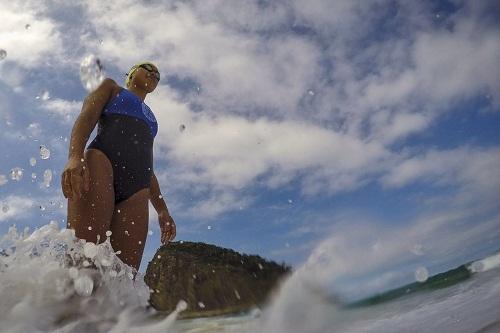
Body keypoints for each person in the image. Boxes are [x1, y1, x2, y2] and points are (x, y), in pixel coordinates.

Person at [61, 61, 176, 272]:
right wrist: (75, 157)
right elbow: (86, 115)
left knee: (124, 278)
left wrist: (162, 210)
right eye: (148, 69)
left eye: (158, 75)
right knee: (82, 263)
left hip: (138, 187)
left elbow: (147, 164)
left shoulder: (153, 120)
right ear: (131, 74)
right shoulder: (112, 88)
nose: (154, 74)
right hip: (102, 163)